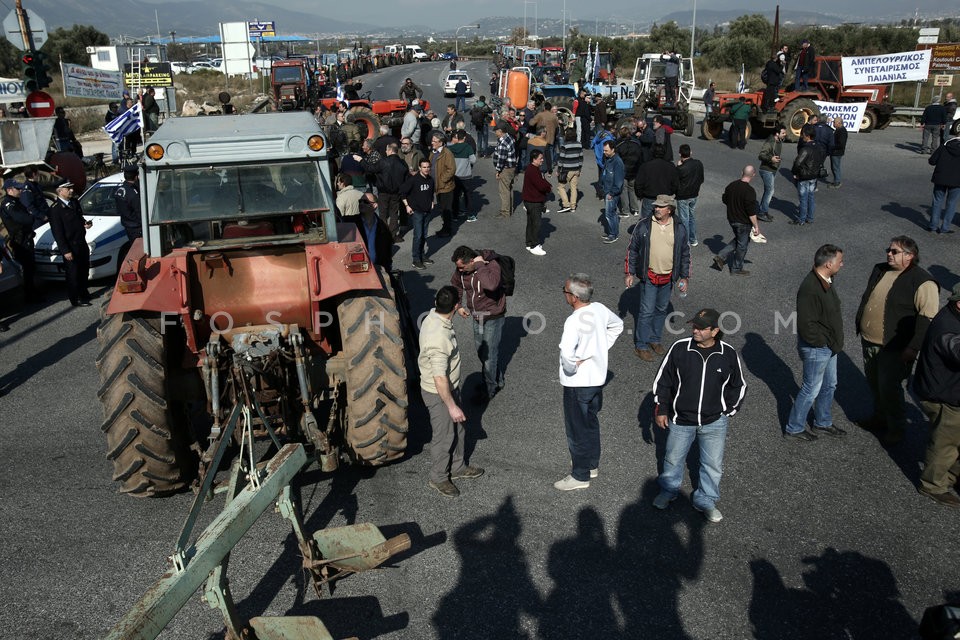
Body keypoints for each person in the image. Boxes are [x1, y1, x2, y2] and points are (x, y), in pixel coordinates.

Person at [652, 308, 747, 523]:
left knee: (712, 464)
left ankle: (705, 499)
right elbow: (662, 381)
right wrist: (662, 409)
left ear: (715, 331)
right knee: (673, 459)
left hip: (714, 421)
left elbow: (738, 385)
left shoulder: (728, 353)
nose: (695, 330)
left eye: (701, 328)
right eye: (694, 326)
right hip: (681, 420)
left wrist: (728, 411)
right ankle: (668, 491)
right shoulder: (679, 348)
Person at [855, 236, 939, 445]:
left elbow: (927, 319)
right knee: (874, 382)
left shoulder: (923, 282)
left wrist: (913, 347)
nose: (888, 254)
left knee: (889, 387)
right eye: (889, 250)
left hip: (894, 347)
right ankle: (880, 416)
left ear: (910, 256)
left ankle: (896, 426)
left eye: (895, 251)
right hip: (870, 341)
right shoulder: (881, 269)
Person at [555, 273, 624, 490]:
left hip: (577, 384)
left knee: (577, 430)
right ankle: (591, 465)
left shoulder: (573, 320)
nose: (564, 294)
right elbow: (618, 325)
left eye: (565, 291)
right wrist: (600, 349)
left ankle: (580, 475)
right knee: (591, 423)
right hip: (596, 380)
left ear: (574, 297)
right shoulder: (600, 309)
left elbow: (567, 354)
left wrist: (573, 366)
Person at [419, 285, 484, 498]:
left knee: (460, 430)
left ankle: (457, 467)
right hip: (439, 393)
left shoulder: (434, 316)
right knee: (444, 436)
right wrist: (452, 406)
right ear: (454, 305)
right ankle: (438, 477)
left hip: (450, 387)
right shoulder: (438, 339)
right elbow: (439, 378)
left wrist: (458, 310)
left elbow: (447, 306)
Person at [784, 245, 846, 442]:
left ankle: (822, 422)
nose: (842, 264)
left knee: (830, 384)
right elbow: (806, 324)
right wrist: (822, 343)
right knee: (811, 389)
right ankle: (794, 428)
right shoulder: (810, 288)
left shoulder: (826, 280)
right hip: (819, 348)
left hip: (829, 345)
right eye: (839, 261)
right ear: (829, 264)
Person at [625, 194, 690, 362]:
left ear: (670, 209)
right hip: (650, 276)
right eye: (655, 206)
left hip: (668, 278)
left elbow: (685, 253)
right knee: (646, 311)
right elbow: (632, 249)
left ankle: (655, 340)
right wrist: (630, 272)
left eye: (660, 207)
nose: (656, 209)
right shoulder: (644, 225)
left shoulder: (679, 227)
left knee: (661, 310)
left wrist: (684, 277)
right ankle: (641, 345)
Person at [912, 283, 960, 507]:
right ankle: (933, 485)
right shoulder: (947, 328)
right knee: (945, 443)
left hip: (948, 392)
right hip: (945, 398)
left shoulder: (952, 316)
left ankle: (950, 474)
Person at [451, 246, 506, 403]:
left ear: (472, 261)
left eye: (462, 267)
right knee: (482, 352)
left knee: (489, 355)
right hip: (477, 315)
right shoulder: (462, 271)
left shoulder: (491, 265)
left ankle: (489, 390)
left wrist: (480, 266)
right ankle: (497, 380)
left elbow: (491, 285)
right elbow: (456, 284)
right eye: (458, 268)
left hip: (493, 316)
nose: (460, 271)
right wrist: (459, 305)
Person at [48, 179, 92, 307]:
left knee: (84, 269)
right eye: (68, 188)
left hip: (81, 242)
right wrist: (65, 250)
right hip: (70, 245)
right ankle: (75, 298)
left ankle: (84, 292)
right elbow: (57, 232)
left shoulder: (74, 202)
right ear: (60, 191)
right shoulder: (55, 210)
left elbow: (79, 217)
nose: (71, 190)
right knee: (73, 273)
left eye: (71, 188)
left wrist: (85, 223)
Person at [714, 166, 760, 276]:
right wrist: (756, 226)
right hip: (743, 222)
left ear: (741, 172)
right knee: (742, 246)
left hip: (731, 219)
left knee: (739, 240)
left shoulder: (731, 185)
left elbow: (725, 199)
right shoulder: (750, 191)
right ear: (753, 175)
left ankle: (720, 256)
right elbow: (751, 212)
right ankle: (736, 268)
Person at [0, 179, 39, 302]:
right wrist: (31, 217)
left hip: (26, 237)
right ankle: (29, 295)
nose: (20, 190)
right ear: (9, 190)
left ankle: (32, 291)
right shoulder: (8, 204)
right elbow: (23, 219)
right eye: (17, 189)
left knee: (31, 267)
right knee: (27, 268)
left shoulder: (16, 201)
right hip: (20, 240)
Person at [342, 192, 393, 271]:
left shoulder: (383, 227)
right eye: (360, 201)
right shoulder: (351, 222)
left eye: (365, 202)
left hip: (377, 269)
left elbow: (387, 253)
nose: (361, 203)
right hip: (358, 268)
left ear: (374, 206)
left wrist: (387, 270)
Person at [400, 159, 435, 270]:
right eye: (424, 167)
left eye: (428, 167)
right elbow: (402, 192)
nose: (426, 169)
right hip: (417, 212)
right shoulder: (414, 180)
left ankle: (422, 256)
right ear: (419, 168)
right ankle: (416, 260)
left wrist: (432, 202)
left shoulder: (431, 180)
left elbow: (431, 192)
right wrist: (407, 206)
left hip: (427, 211)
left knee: (424, 235)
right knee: (418, 236)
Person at [927, 120, 960, 234]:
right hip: (957, 180)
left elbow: (932, 161)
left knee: (937, 201)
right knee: (951, 204)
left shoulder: (945, 145)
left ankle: (933, 226)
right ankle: (944, 228)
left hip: (941, 177)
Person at [791, 124, 826, 226]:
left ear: (807, 135)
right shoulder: (820, 146)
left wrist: (794, 173)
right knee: (811, 197)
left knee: (803, 199)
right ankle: (810, 218)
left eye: (803, 134)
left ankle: (801, 219)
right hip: (814, 176)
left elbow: (798, 162)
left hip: (804, 176)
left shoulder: (806, 148)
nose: (802, 136)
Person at [634, 144, 679, 220]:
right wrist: (671, 193)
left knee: (647, 222)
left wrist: (640, 195)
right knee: (664, 221)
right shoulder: (671, 166)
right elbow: (675, 183)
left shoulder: (645, 166)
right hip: (665, 198)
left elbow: (638, 183)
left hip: (649, 197)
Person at [376, 142, 410, 238]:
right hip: (396, 192)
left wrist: (361, 160)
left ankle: (384, 234)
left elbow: (372, 169)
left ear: (390, 150)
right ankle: (392, 235)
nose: (386, 152)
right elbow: (406, 178)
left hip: (383, 192)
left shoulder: (383, 161)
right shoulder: (402, 162)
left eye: (387, 150)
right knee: (394, 213)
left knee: (383, 214)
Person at [521, 150, 551, 256]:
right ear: (534, 159)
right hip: (534, 201)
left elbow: (541, 182)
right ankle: (534, 245)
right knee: (536, 224)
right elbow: (541, 184)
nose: (542, 160)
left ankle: (529, 243)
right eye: (540, 158)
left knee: (530, 223)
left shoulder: (531, 168)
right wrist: (549, 187)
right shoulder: (533, 170)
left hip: (529, 200)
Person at [676, 144, 704, 246]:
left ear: (680, 154)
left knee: (684, 220)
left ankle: (685, 242)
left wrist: (678, 166)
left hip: (683, 196)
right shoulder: (698, 163)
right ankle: (693, 239)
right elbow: (701, 179)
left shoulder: (681, 168)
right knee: (691, 217)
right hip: (694, 195)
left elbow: (676, 182)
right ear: (690, 152)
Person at [757, 124, 786, 223]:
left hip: (773, 169)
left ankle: (763, 211)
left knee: (768, 191)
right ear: (777, 134)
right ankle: (762, 212)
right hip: (766, 170)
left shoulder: (779, 141)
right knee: (770, 191)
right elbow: (761, 155)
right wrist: (771, 159)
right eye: (783, 133)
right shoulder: (770, 142)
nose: (784, 135)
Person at [429, 132, 456, 238]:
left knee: (446, 209)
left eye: (434, 141)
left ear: (441, 142)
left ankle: (447, 229)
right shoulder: (433, 152)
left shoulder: (447, 153)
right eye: (432, 141)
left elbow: (451, 169)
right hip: (437, 187)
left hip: (445, 187)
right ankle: (445, 227)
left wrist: (441, 180)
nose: (432, 143)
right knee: (442, 208)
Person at [599, 140, 624, 244]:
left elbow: (618, 181)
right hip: (607, 191)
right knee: (611, 213)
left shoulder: (617, 162)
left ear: (613, 149)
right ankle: (612, 232)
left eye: (606, 150)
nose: (604, 152)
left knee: (610, 214)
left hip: (611, 192)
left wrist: (612, 193)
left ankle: (613, 234)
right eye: (604, 150)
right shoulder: (609, 159)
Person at [449, 130, 477, 221]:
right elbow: (473, 160)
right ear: (464, 137)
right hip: (466, 176)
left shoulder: (451, 148)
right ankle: (470, 215)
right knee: (468, 195)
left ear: (457, 138)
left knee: (455, 195)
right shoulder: (468, 147)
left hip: (455, 176)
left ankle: (455, 215)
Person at [615, 125, 643, 217]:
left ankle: (625, 210)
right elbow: (640, 157)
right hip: (635, 169)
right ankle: (635, 209)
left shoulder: (618, 144)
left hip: (624, 170)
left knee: (623, 189)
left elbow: (617, 159)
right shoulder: (636, 143)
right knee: (632, 189)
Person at [492, 125, 518, 218]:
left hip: (506, 169)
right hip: (512, 167)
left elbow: (501, 159)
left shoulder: (503, 143)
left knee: (504, 191)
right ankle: (509, 209)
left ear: (500, 131)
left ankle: (505, 212)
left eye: (496, 131)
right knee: (509, 189)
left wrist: (498, 171)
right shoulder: (509, 137)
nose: (495, 133)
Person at [556, 125, 583, 213]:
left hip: (566, 170)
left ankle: (566, 205)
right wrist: (579, 169)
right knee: (574, 188)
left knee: (561, 187)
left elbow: (561, 159)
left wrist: (558, 170)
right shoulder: (579, 144)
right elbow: (581, 158)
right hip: (576, 169)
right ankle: (573, 206)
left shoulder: (565, 145)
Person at [114, 168, 142, 242]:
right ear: (136, 177)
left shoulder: (120, 190)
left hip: (127, 225)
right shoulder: (133, 193)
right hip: (136, 227)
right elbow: (139, 210)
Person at [829, 117, 847, 188]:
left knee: (835, 167)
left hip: (837, 152)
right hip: (836, 152)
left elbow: (841, 144)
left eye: (834, 122)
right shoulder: (839, 130)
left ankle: (837, 182)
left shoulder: (842, 131)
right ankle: (837, 181)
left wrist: (831, 146)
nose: (833, 124)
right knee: (835, 167)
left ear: (839, 123)